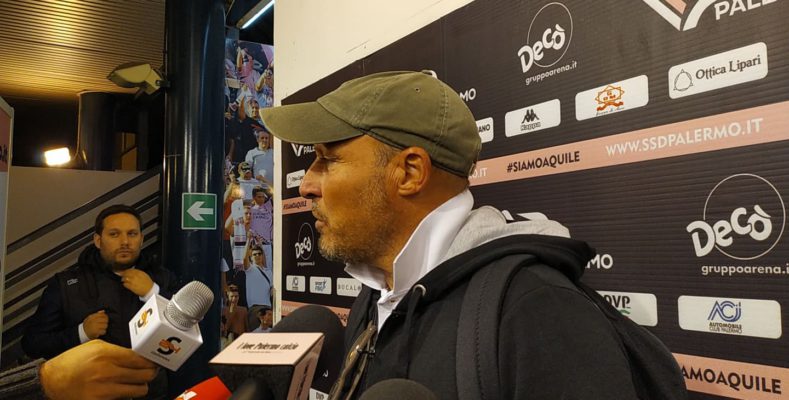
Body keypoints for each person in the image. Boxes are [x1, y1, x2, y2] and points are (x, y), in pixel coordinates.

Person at [260, 71, 642, 398]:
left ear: (409, 172)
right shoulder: (375, 296)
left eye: (328, 160)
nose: (306, 185)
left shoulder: (538, 308)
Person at [22, 204, 176, 399]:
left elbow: (188, 330)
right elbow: (33, 344)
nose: (125, 242)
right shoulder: (66, 284)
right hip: (87, 394)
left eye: (132, 234)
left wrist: (153, 293)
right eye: (114, 234)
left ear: (142, 239)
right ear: (98, 240)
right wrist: (81, 333)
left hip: (150, 393)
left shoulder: (162, 278)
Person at [0, 339, 158, 400]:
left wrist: (151, 291)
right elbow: (33, 343)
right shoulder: (62, 287)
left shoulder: (158, 281)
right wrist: (49, 381)